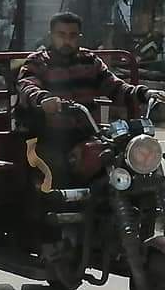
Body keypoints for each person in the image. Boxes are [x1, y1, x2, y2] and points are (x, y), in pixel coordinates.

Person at [18, 11, 165, 187]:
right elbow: (27, 86)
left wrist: (145, 94)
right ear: (51, 36)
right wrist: (43, 99)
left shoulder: (90, 60)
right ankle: (57, 203)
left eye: (72, 35)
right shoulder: (38, 62)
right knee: (54, 176)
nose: (67, 40)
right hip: (51, 135)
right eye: (61, 35)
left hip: (89, 132)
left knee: (124, 159)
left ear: (79, 37)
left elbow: (115, 87)